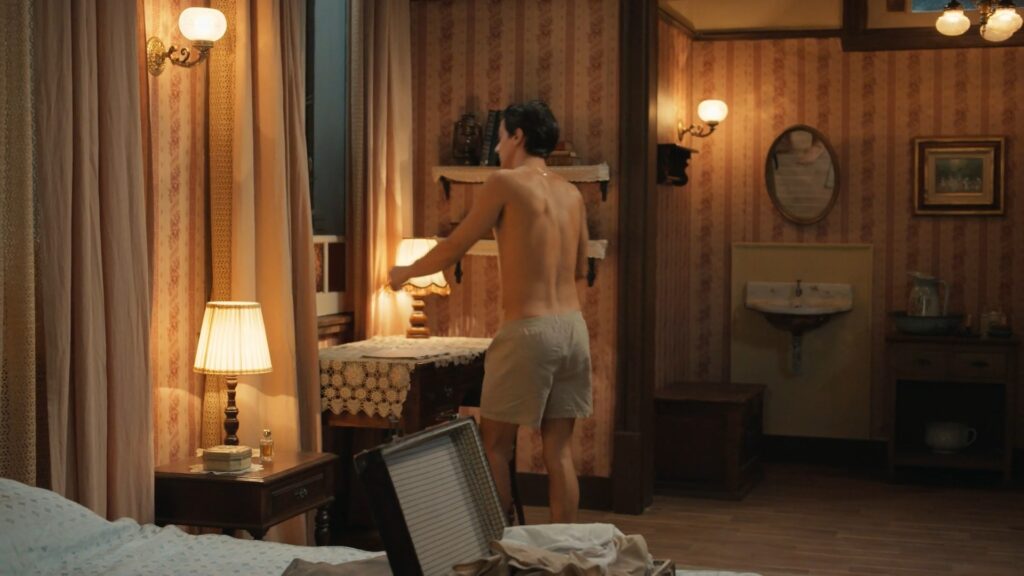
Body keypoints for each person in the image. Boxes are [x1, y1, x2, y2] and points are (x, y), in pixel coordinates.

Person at [388, 101, 592, 523]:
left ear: (518, 136)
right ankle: (563, 550)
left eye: (500, 137)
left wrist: (404, 272)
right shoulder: (572, 193)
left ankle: (502, 548)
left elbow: (453, 247)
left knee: (495, 446)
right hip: (573, 329)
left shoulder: (505, 183)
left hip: (529, 331)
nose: (497, 148)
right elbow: (578, 267)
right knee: (559, 451)